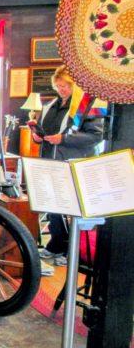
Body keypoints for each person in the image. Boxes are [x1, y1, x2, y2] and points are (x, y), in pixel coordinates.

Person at [30, 66, 104, 265]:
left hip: (73, 163)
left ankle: (72, 250)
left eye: (66, 86)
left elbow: (96, 135)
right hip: (50, 162)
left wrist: (63, 139)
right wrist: (37, 136)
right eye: (59, 86)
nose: (62, 90)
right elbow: (44, 134)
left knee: (72, 209)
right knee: (53, 205)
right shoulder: (51, 105)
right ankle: (56, 244)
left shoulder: (86, 106)